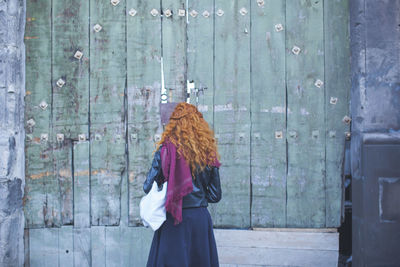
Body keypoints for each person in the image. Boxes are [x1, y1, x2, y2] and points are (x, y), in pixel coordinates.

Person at [143, 102, 222, 267]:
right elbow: (215, 196)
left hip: (174, 220)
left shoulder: (165, 151)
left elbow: (147, 187)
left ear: (173, 124)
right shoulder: (208, 153)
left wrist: (168, 183)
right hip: (200, 221)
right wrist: (198, 195)